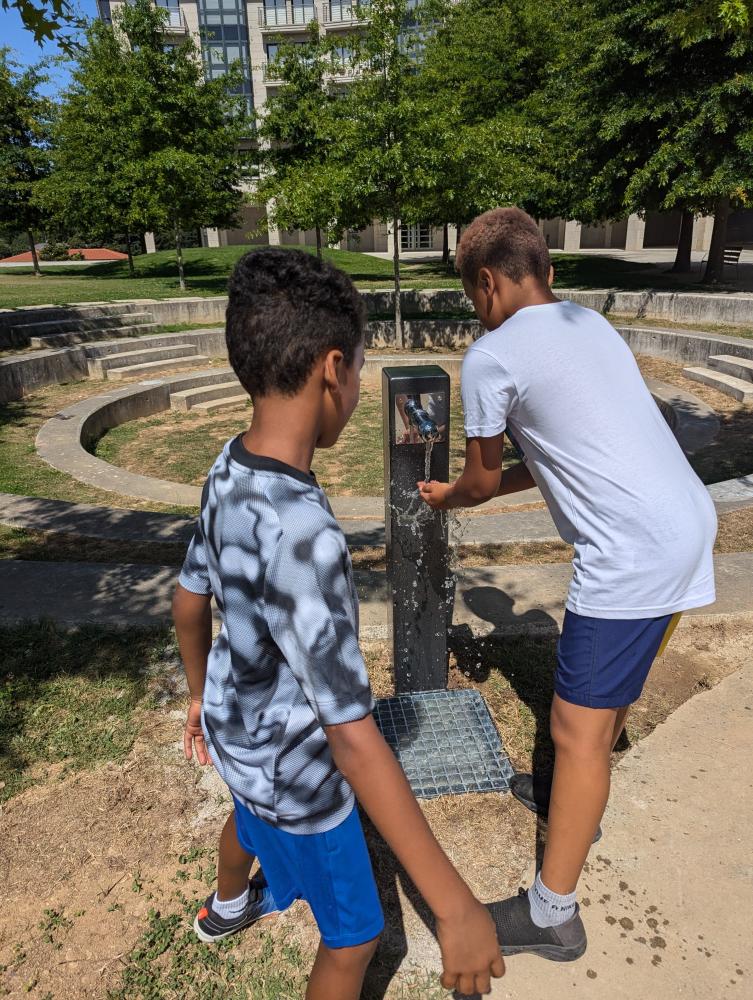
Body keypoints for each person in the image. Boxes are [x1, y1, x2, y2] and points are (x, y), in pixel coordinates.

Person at [172, 248, 505, 999]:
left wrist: (199, 696)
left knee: (247, 821)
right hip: (297, 778)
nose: (355, 386)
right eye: (356, 368)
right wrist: (453, 909)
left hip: (233, 729)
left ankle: (227, 905)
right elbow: (353, 739)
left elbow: (189, 602)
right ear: (332, 368)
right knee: (352, 939)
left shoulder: (226, 469)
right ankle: (242, 902)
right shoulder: (307, 538)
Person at [419, 207, 717, 961]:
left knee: (574, 733)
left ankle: (552, 914)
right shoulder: (586, 326)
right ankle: (565, 804)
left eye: (471, 294)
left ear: (484, 282)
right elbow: (557, 454)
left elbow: (482, 483)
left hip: (630, 554)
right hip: (684, 524)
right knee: (603, 711)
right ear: (544, 270)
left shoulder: (491, 357)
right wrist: (479, 484)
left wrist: (444, 497)